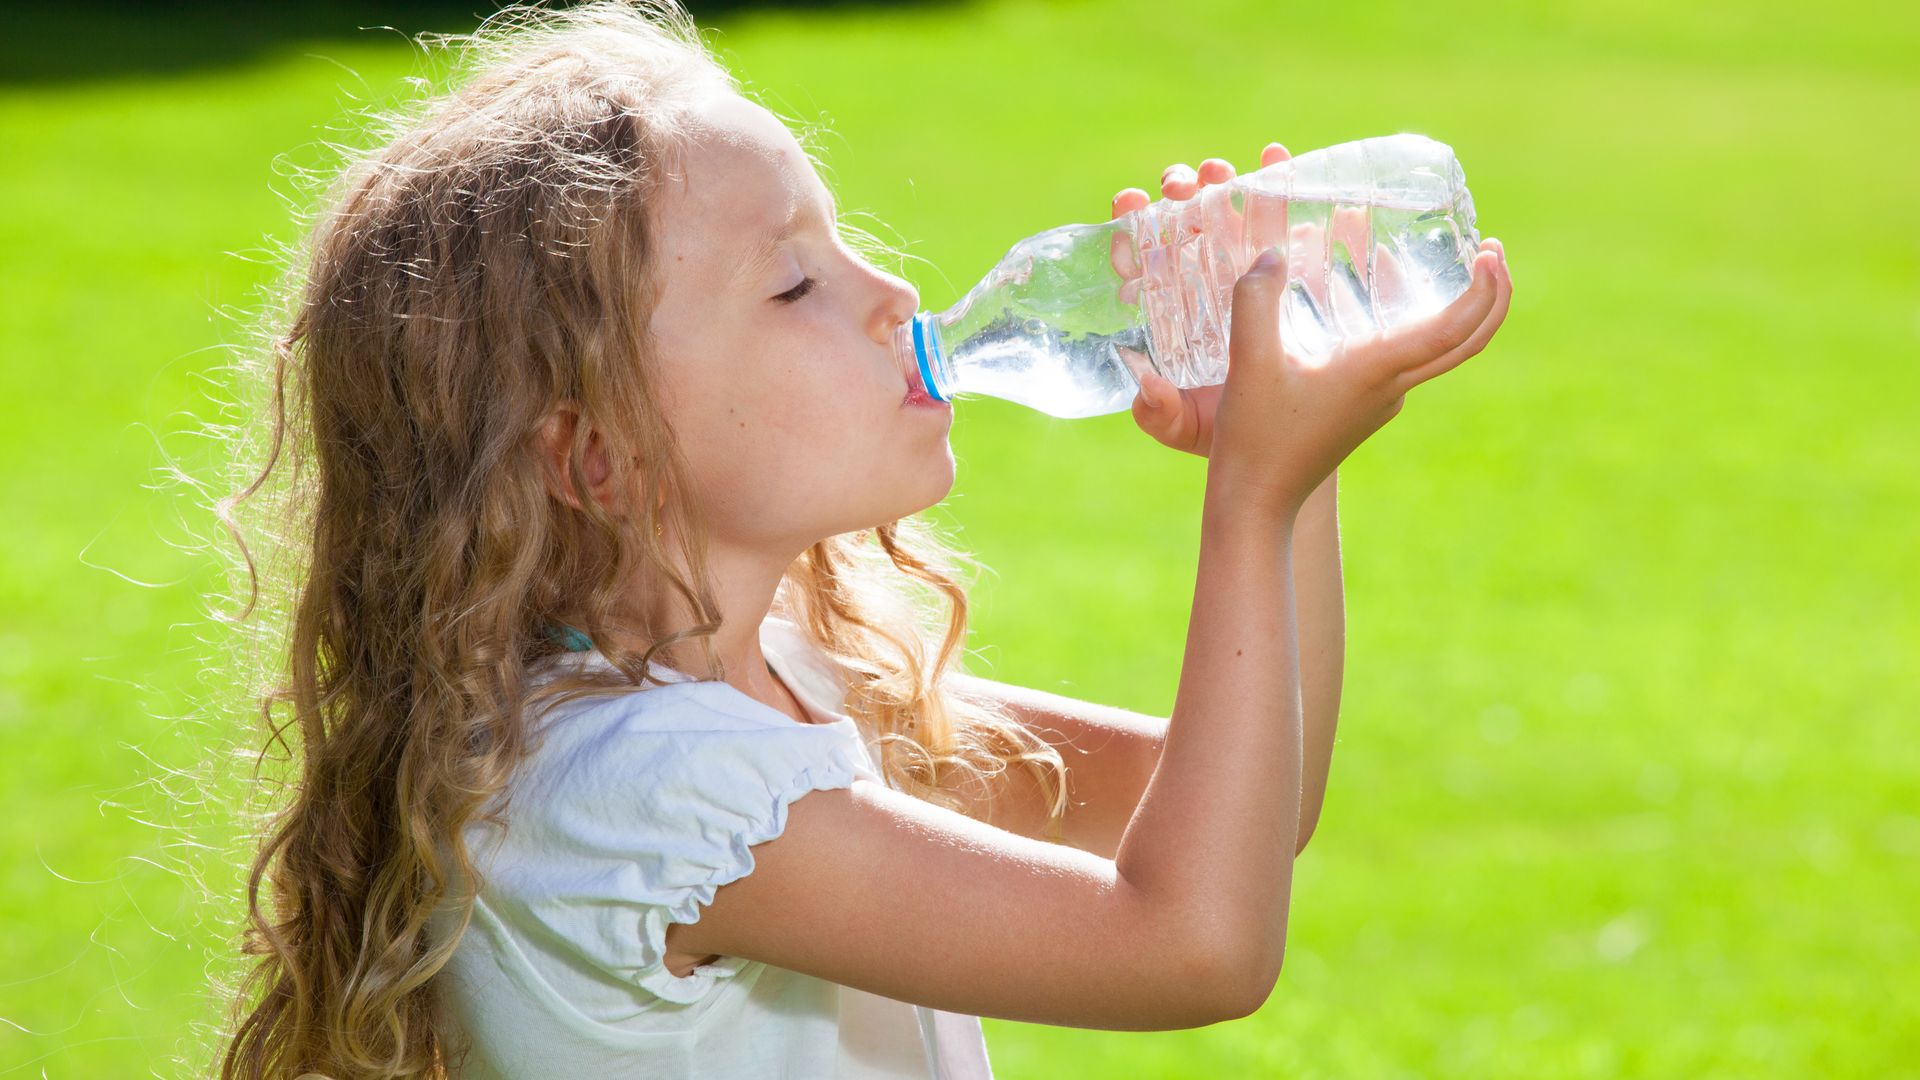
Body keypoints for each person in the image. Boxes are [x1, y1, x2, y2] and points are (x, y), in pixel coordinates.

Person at [211, 1, 1513, 1077]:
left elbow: (1248, 808)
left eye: (841, 248)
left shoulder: (781, 683)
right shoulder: (647, 785)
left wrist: (1292, 462)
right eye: (795, 283)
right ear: (596, 455)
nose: (893, 291)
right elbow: (1196, 945)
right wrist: (1254, 501)